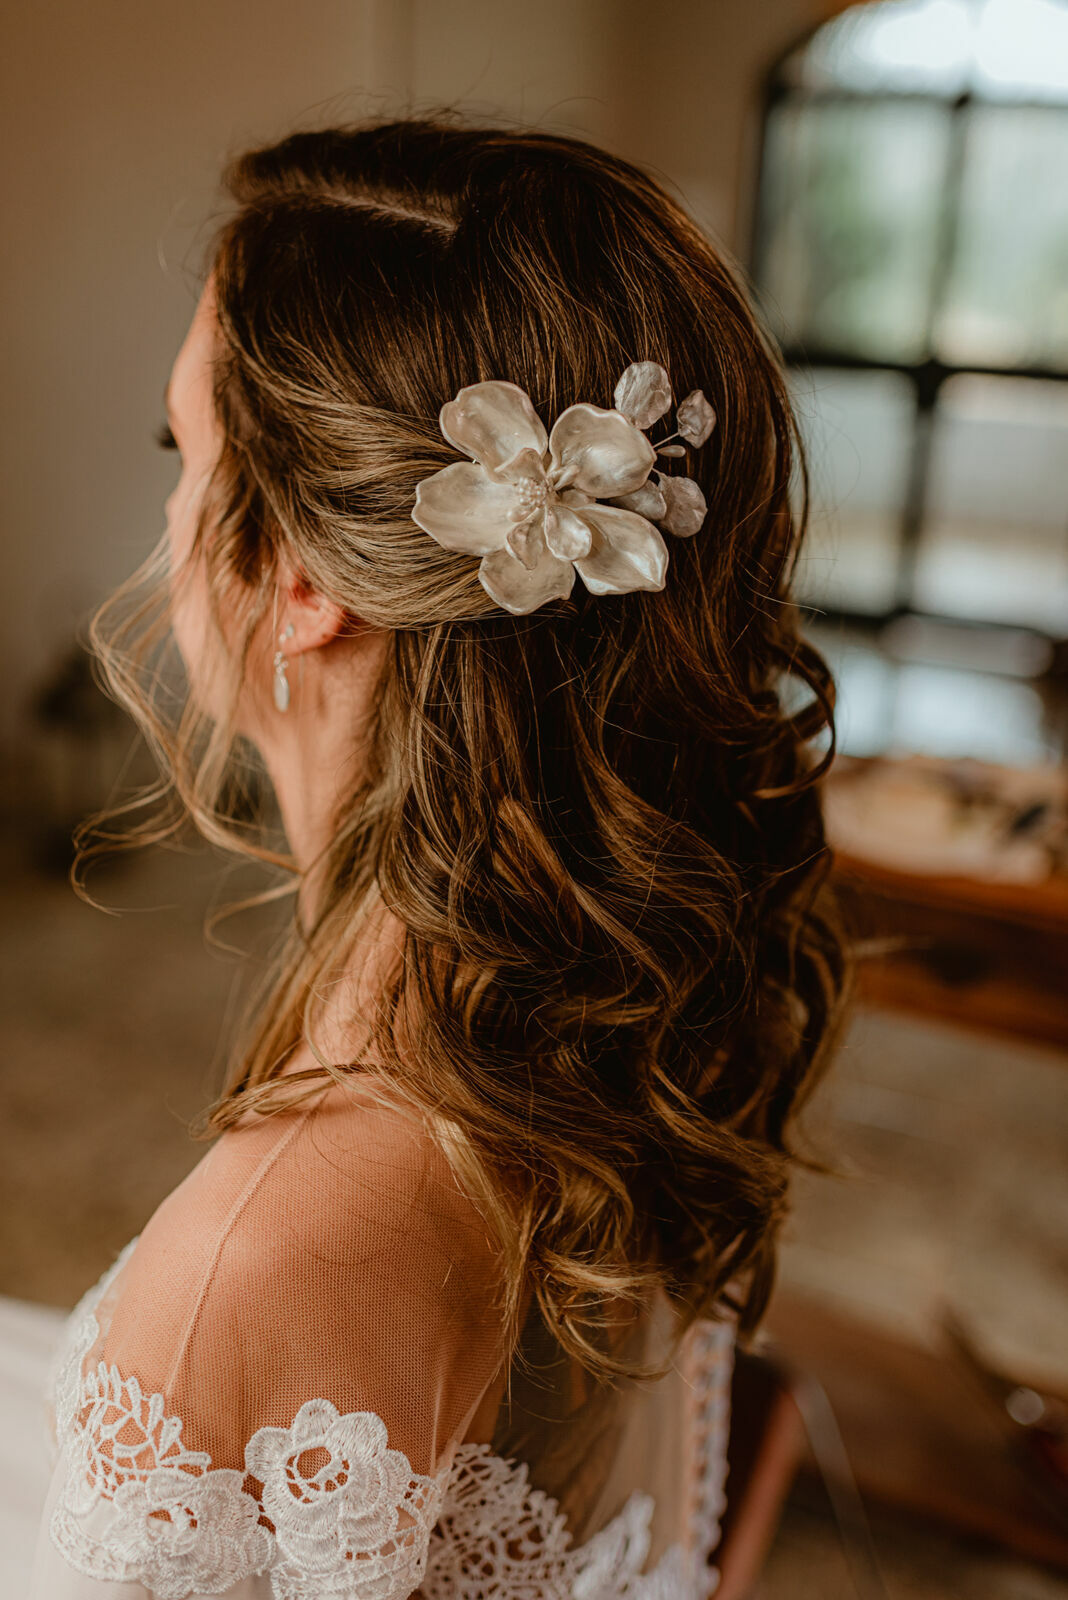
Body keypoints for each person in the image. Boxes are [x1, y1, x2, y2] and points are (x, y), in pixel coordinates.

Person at [24, 115, 847, 1599]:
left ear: (306, 580)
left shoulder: (246, 1267)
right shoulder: (648, 964)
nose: (164, 513)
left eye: (182, 452)